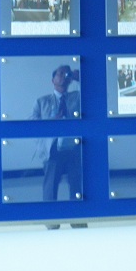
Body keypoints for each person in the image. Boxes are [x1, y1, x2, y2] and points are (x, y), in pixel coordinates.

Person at [30, 65, 82, 202]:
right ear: (52, 80)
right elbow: (31, 124)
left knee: (77, 184)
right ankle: (50, 213)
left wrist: (80, 79)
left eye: (67, 74)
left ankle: (78, 213)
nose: (64, 77)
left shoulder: (77, 97)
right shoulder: (42, 101)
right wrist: (51, 121)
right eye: (60, 74)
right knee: (50, 184)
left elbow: (93, 96)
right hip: (52, 149)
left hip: (74, 147)